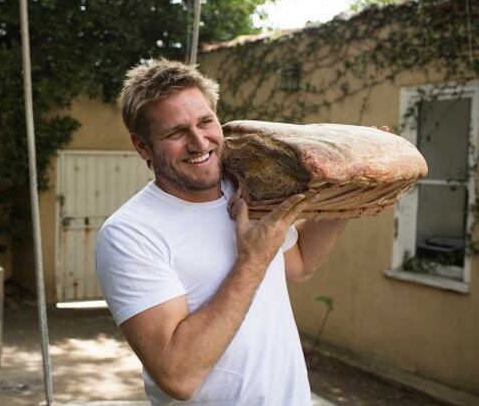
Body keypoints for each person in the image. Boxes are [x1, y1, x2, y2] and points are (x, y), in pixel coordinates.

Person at [95, 59, 348, 405]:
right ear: (142, 147)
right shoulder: (130, 234)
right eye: (175, 132)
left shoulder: (247, 190)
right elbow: (177, 375)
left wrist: (350, 193)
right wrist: (253, 259)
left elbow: (300, 263)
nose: (199, 142)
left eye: (205, 122)